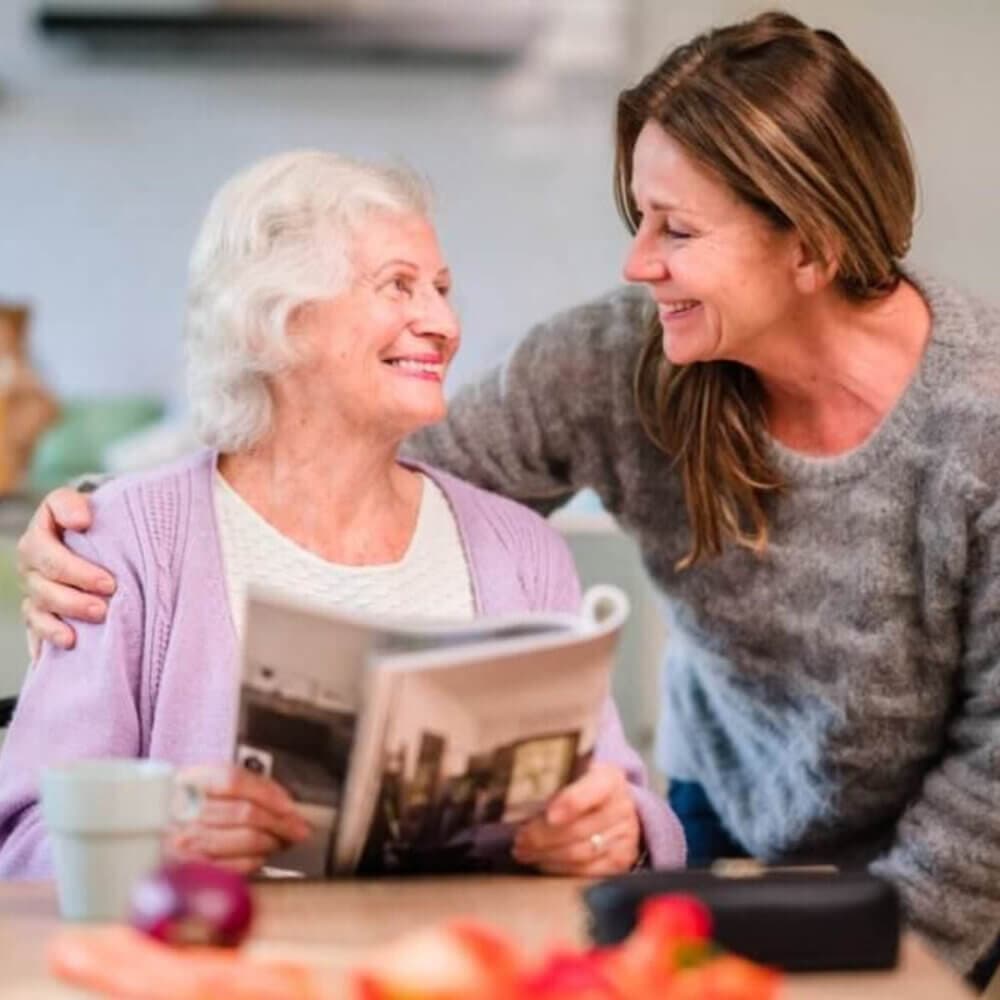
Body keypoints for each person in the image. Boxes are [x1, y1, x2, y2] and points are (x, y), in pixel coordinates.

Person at [13, 10, 999, 983]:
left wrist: (897, 968)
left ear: (808, 245)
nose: (635, 261)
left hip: (948, 858)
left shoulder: (979, 417)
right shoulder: (618, 359)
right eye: (639, 217)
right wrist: (113, 521)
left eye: (677, 228)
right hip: (722, 817)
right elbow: (342, 455)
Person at [0, 150, 684, 881]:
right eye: (400, 286)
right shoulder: (125, 541)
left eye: (443, 289)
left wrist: (614, 831)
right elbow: (23, 835)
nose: (443, 323)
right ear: (277, 320)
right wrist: (156, 840)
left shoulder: (520, 547)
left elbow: (622, 800)